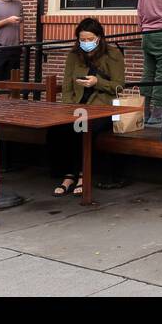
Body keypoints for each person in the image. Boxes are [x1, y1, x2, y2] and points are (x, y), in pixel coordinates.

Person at [49, 17, 124, 197]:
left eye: (90, 39)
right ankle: (69, 173)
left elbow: (119, 86)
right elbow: (67, 85)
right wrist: (67, 108)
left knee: (82, 127)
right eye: (82, 39)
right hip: (78, 106)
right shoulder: (74, 55)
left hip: (103, 108)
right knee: (59, 129)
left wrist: (97, 82)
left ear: (99, 37)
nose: (86, 43)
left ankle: (80, 174)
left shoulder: (113, 54)